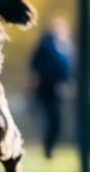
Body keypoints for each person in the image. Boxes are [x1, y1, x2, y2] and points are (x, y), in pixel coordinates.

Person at [30, 17, 72, 159]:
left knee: (57, 122)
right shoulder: (45, 45)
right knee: (51, 119)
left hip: (59, 90)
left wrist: (67, 83)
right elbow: (35, 63)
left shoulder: (67, 46)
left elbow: (70, 69)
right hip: (45, 88)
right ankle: (47, 150)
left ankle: (49, 148)